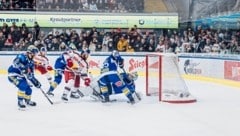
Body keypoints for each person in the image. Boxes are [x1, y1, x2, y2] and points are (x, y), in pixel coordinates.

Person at [8, 45, 42, 109]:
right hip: (13, 75)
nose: (34, 56)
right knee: (23, 85)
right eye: (34, 54)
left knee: (29, 89)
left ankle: (27, 101)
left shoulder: (31, 62)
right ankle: (20, 101)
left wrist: (36, 82)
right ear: (29, 53)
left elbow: (31, 75)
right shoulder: (22, 56)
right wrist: (23, 68)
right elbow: (15, 62)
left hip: (21, 76)